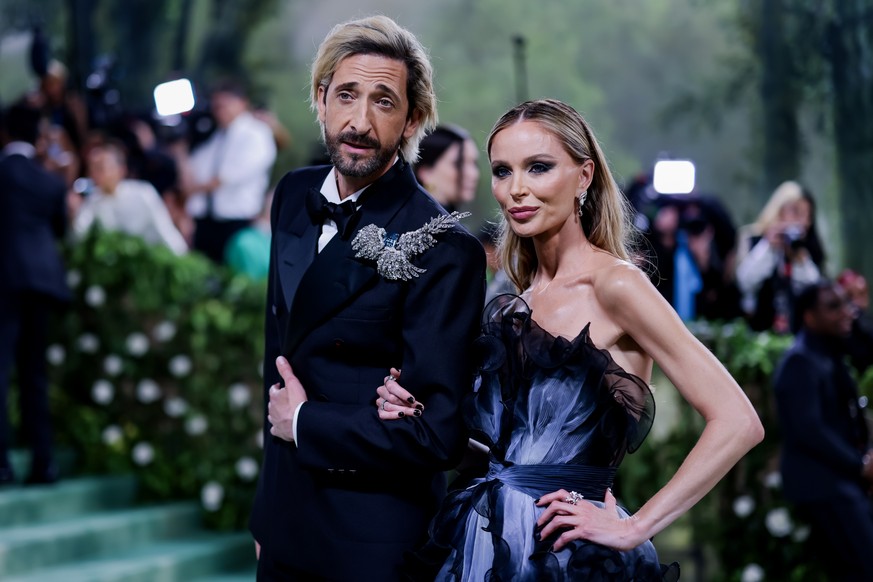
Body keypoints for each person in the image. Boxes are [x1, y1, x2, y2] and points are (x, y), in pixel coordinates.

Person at [376, 99, 764, 580]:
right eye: (502, 171)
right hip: (483, 543)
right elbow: (508, 461)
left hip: (568, 556)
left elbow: (738, 421)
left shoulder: (616, 285)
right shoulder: (518, 299)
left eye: (538, 168)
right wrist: (423, 419)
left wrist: (635, 527)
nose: (516, 189)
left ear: (584, 177)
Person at [248, 16, 487, 580]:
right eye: (346, 95)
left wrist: (307, 422)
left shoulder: (445, 246)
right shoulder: (292, 195)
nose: (358, 121)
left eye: (383, 101)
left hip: (372, 542)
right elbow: (277, 363)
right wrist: (267, 515)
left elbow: (437, 434)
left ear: (412, 120)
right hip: (285, 528)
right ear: (321, 98)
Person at [773, 280, 873, 580]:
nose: (846, 312)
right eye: (834, 306)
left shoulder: (829, 352)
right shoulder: (799, 361)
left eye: (847, 303)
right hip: (824, 486)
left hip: (838, 481)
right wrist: (861, 466)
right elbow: (810, 430)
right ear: (809, 316)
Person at [0, 103, 71, 485]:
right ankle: (44, 464)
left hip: (4, 281)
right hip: (42, 282)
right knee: (34, 374)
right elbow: (61, 230)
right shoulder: (49, 181)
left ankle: (3, 464)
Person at [184, 79, 276, 263]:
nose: (220, 110)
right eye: (216, 106)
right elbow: (194, 169)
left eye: (225, 104)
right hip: (206, 219)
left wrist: (193, 189)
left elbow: (228, 177)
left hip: (236, 221)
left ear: (242, 103)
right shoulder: (215, 137)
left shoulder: (256, 134)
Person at [735, 181, 826, 333]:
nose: (802, 222)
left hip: (798, 334)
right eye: (796, 212)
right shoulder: (753, 239)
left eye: (807, 215)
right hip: (759, 333)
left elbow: (815, 292)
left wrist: (800, 259)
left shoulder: (809, 246)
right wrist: (768, 247)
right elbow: (744, 282)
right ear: (778, 211)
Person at [72, 142, 188, 255]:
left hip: (146, 259)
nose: (96, 174)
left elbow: (165, 230)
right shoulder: (92, 202)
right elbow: (78, 235)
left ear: (121, 169)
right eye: (92, 169)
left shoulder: (143, 193)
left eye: (101, 168)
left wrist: (182, 257)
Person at [413, 124, 480, 212]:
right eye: (458, 164)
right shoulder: (415, 221)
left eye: (474, 163)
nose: (473, 174)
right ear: (426, 172)